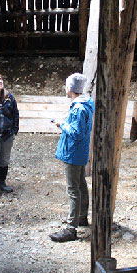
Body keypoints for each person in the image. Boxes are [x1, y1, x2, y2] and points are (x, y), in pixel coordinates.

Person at [50, 73, 94, 242]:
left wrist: (62, 125)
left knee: (73, 190)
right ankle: (82, 218)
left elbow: (76, 132)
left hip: (73, 152)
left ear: (70, 88)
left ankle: (71, 229)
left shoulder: (78, 108)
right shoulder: (87, 103)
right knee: (81, 185)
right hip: (80, 151)